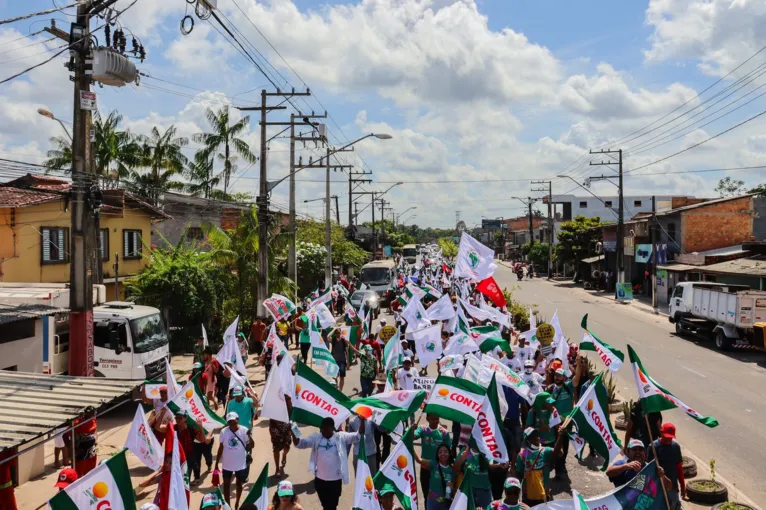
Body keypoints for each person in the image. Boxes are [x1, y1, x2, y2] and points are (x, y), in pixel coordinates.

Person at [292, 416, 363, 510]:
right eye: (322, 427)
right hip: (320, 480)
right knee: (325, 505)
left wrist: (363, 420)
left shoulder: (341, 436)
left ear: (332, 428)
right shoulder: (316, 438)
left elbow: (358, 436)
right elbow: (300, 443)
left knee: (332, 506)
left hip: (335, 481)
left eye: (325, 428)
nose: (322, 430)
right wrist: (293, 430)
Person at [514, 427, 565, 506]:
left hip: (543, 494)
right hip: (527, 495)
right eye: (533, 436)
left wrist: (561, 436)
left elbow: (556, 452)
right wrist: (515, 495)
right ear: (527, 440)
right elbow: (519, 475)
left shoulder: (545, 451)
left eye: (537, 435)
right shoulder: (522, 455)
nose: (537, 437)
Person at [214, 411, 253, 509]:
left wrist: (250, 436)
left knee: (239, 484)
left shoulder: (244, 430)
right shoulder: (224, 432)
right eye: (229, 421)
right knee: (226, 486)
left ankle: (237, 503)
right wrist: (216, 463)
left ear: (237, 420)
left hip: (240, 464)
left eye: (233, 420)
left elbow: (251, 446)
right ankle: (228, 506)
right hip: (227, 464)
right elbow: (221, 447)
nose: (231, 423)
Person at [415, 443, 470, 510]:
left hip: (446, 503)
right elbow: (419, 460)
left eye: (445, 451)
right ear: (437, 455)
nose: (443, 454)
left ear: (449, 453)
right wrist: (409, 446)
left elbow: (456, 486)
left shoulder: (453, 468)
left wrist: (451, 486)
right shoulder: (433, 464)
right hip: (432, 503)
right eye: (440, 452)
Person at [414, 413, 452, 503]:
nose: (435, 421)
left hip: (439, 470)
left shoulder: (444, 433)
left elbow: (449, 452)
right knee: (427, 496)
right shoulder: (422, 429)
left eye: (437, 419)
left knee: (440, 497)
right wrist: (412, 430)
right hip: (425, 468)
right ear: (427, 419)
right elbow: (412, 437)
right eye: (432, 419)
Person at [647, 423, 686, 509]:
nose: (669, 440)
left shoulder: (675, 447)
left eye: (670, 437)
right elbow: (648, 469)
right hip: (657, 488)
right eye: (666, 437)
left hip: (672, 488)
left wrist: (682, 486)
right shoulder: (653, 447)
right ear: (661, 433)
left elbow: (679, 468)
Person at [548, 368, 574, 480]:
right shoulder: (550, 389)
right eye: (556, 375)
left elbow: (576, 378)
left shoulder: (569, 386)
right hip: (555, 422)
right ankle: (557, 465)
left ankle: (562, 463)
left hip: (567, 421)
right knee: (556, 443)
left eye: (559, 375)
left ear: (564, 377)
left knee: (565, 443)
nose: (557, 377)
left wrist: (578, 364)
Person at [73, 407, 98, 477]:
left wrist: (96, 437)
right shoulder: (78, 422)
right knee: (79, 472)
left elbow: (96, 428)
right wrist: (71, 449)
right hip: (81, 449)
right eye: (90, 414)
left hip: (91, 449)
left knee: (91, 471)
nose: (93, 415)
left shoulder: (93, 419)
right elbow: (65, 435)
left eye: (93, 414)